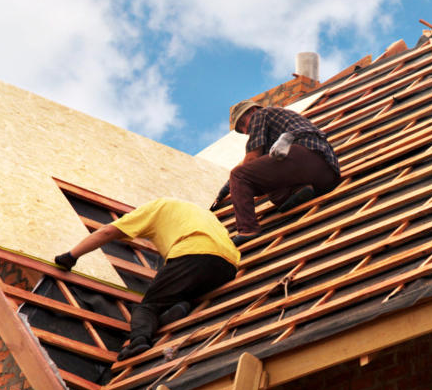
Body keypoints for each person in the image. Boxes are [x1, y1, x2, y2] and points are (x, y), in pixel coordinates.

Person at [54, 197, 240, 361]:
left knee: (147, 307)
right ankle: (177, 308)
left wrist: (71, 256)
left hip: (193, 253)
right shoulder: (199, 213)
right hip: (229, 265)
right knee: (178, 291)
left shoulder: (154, 208)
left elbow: (107, 232)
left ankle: (139, 341)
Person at [214, 100, 340, 245]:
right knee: (273, 191)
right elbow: (261, 167)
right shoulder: (277, 122)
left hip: (303, 155)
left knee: (238, 174)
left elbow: (251, 159)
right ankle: (299, 190)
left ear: (253, 111)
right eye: (241, 129)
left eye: (243, 123)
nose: (245, 131)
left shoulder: (261, 115)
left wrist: (233, 182)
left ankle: (247, 229)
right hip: (328, 175)